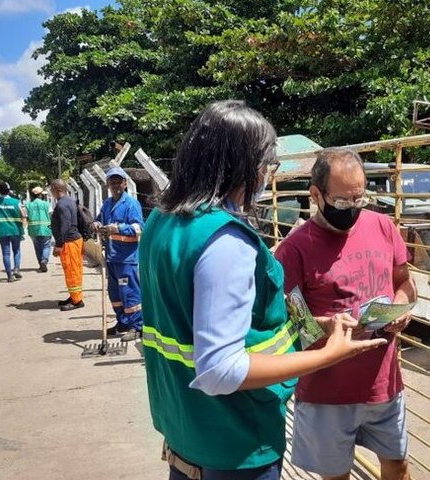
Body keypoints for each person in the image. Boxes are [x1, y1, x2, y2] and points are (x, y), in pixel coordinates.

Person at [138, 100, 386, 480]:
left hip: (186, 430)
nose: (266, 175)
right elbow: (221, 369)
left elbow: (211, 318)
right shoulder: (224, 240)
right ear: (242, 164)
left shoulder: (161, 221)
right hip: (235, 441)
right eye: (267, 165)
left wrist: (312, 326)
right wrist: (328, 356)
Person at [275, 148, 417, 480]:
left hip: (383, 384)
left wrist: (401, 308)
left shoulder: (382, 226)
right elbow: (294, 323)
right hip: (326, 393)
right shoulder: (294, 250)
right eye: (341, 201)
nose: (352, 208)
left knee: (398, 466)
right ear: (316, 195)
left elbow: (405, 282)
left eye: (359, 198)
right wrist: (329, 326)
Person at [93, 166, 144, 342]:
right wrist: (96, 224)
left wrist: (119, 228)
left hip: (127, 258)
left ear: (125, 183)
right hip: (112, 257)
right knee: (115, 293)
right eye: (112, 182)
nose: (115, 185)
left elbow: (139, 228)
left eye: (118, 182)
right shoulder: (107, 204)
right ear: (107, 184)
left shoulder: (131, 204)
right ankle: (123, 322)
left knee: (129, 292)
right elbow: (99, 219)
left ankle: (137, 326)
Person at [49, 179, 84, 311]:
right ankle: (74, 296)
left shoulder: (62, 204)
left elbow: (65, 225)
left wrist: (58, 245)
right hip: (73, 241)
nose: (51, 192)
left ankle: (77, 301)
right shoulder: (69, 201)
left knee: (72, 271)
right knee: (73, 270)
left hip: (69, 242)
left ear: (57, 189)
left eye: (51, 189)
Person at [0, 181, 26, 282]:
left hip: (1, 230)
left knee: (5, 253)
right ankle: (16, 269)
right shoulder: (16, 202)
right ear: (9, 190)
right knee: (16, 250)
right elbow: (23, 214)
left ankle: (9, 276)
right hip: (15, 229)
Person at [27, 186, 53, 273]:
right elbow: (51, 215)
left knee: (37, 247)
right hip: (45, 228)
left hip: (33, 229)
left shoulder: (28, 205)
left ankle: (40, 263)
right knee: (46, 246)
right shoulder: (46, 204)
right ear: (40, 195)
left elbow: (25, 216)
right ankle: (44, 261)